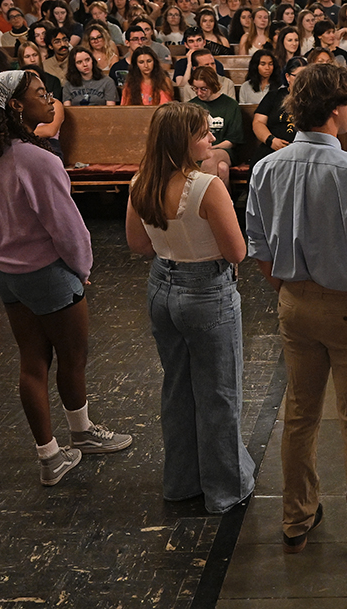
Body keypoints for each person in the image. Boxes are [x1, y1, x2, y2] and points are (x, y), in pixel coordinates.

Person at [244, 63, 347, 568]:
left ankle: (296, 520)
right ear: (336, 111)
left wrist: (291, 290)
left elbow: (261, 249)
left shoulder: (267, 168)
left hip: (295, 302)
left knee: (299, 415)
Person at [0, 71, 133, 486]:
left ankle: (49, 456)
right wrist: (82, 269)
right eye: (41, 93)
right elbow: (67, 226)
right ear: (16, 106)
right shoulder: (39, 159)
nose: (50, 98)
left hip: (4, 273)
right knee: (73, 357)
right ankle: (81, 432)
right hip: (45, 274)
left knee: (32, 363)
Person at [126, 102, 254, 513]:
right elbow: (237, 250)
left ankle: (181, 482)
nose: (212, 139)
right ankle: (225, 489)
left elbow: (138, 246)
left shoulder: (140, 182)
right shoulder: (205, 186)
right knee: (219, 393)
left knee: (177, 389)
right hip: (205, 292)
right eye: (204, 133)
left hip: (161, 288)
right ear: (184, 141)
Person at [187, 66, 243, 189]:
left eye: (203, 89)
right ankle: (225, 205)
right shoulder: (191, 106)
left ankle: (202, 201)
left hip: (224, 150)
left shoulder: (230, 105)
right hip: (197, 152)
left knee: (210, 157)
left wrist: (210, 148)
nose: (199, 93)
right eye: (195, 88)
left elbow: (232, 141)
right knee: (222, 168)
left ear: (213, 85)